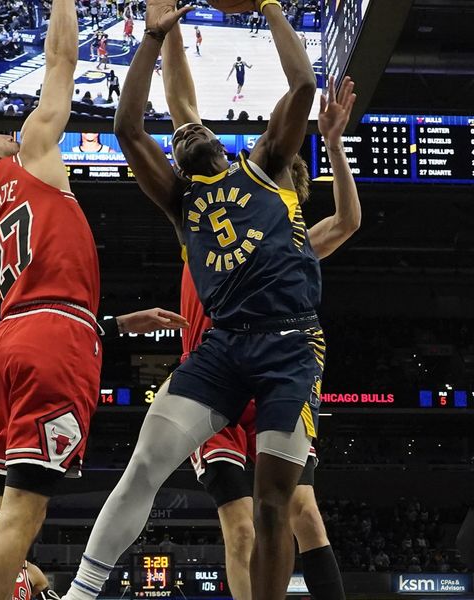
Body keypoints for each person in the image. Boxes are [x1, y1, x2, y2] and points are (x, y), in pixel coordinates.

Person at [60, 1, 343, 600]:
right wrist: (153, 36)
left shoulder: (266, 164)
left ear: (217, 137)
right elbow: (129, 129)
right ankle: (82, 592)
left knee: (275, 507)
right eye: (178, 133)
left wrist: (268, 6)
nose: (182, 129)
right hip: (223, 346)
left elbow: (303, 84)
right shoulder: (178, 200)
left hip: (290, 345)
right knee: (145, 463)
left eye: (190, 126)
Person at [0, 0, 188, 596]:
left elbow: (40, 290)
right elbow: (61, 59)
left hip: (10, 342)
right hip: (53, 343)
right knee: (22, 516)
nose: (6, 131)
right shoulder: (28, 158)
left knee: (13, 519)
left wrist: (114, 323)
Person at [183, 77, 359, 600]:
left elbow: (348, 220)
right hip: (217, 374)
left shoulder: (294, 244)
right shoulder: (213, 214)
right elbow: (183, 112)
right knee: (240, 528)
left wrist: (331, 143)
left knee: (303, 511)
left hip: (275, 376)